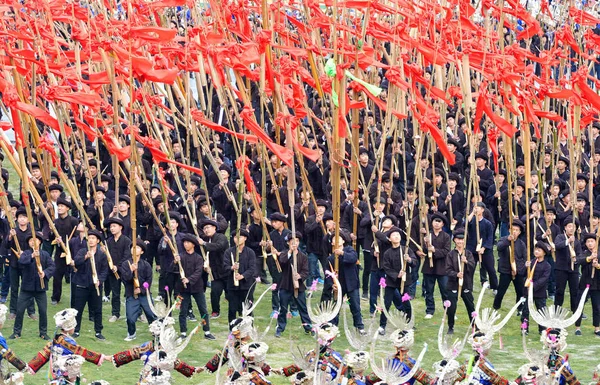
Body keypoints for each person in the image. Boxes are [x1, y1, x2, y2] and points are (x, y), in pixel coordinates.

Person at [27, 309, 108, 382]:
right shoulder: (67, 342)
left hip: (54, 373)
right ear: (69, 328)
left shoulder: (56, 338)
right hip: (65, 373)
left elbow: (44, 353)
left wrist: (31, 366)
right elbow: (81, 351)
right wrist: (100, 357)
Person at [10, 232, 55, 340]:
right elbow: (21, 261)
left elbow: (52, 266)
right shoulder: (25, 253)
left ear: (39, 242)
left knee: (43, 311)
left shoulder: (45, 254)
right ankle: (16, 332)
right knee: (20, 310)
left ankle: (43, 333)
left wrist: (45, 273)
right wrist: (32, 256)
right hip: (26, 288)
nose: (32, 242)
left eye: (35, 240)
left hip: (40, 288)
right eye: (30, 241)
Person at [323, 233, 365, 333]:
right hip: (339, 286)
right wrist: (331, 285)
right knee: (336, 307)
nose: (337, 241)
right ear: (332, 243)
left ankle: (359, 326)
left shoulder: (350, 250)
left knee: (355, 306)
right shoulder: (330, 258)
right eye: (334, 239)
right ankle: (333, 326)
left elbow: (353, 258)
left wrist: (342, 253)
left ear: (343, 241)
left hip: (351, 284)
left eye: (339, 239)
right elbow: (328, 274)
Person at [71, 229, 108, 340]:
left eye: (93, 238)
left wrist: (100, 280)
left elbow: (104, 271)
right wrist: (86, 257)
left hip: (95, 286)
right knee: (78, 309)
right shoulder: (82, 251)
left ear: (97, 241)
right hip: (81, 284)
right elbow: (76, 263)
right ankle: (76, 330)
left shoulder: (102, 255)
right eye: (89, 238)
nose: (91, 240)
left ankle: (98, 331)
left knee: (97, 309)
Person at [177, 233, 215, 340]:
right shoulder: (180, 257)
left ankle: (207, 331)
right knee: (183, 311)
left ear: (193, 245)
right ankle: (183, 332)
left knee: (203, 310)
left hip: (197, 288)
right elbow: (175, 270)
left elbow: (198, 272)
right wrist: (175, 262)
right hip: (184, 289)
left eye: (188, 242)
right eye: (184, 242)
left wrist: (189, 279)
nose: (186, 244)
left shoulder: (198, 258)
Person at [380, 227, 416, 335]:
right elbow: (386, 267)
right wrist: (396, 275)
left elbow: (414, 262)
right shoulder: (387, 253)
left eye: (398, 235)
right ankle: (382, 325)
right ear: (390, 239)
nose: (396, 236)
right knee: (386, 303)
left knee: (406, 303)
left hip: (404, 281)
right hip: (391, 281)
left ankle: (408, 323)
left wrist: (409, 260)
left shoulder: (406, 250)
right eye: (393, 235)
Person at [275, 232, 312, 337]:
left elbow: (306, 271)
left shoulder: (303, 257)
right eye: (292, 242)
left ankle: (308, 328)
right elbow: (282, 262)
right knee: (283, 309)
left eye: (296, 241)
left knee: (303, 308)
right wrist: (290, 252)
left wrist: (300, 276)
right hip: (285, 286)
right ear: (288, 243)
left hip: (298, 287)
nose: (294, 244)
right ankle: (280, 329)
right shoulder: (284, 254)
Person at [119, 239, 157, 341]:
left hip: (144, 295)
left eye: (138, 248)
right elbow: (125, 279)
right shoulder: (125, 264)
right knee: (130, 317)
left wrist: (141, 290)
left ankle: (156, 333)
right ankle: (131, 333)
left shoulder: (146, 265)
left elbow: (149, 281)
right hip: (131, 294)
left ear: (142, 251)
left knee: (152, 315)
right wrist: (131, 270)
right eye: (133, 248)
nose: (134, 250)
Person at [445, 228, 476, 334]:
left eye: (462, 239)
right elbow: (447, 270)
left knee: (470, 306)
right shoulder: (450, 254)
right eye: (458, 239)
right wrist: (456, 274)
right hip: (453, 284)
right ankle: (451, 326)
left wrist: (466, 262)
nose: (460, 241)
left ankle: (474, 326)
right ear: (454, 240)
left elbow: (472, 267)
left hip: (466, 283)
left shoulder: (468, 253)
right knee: (451, 307)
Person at [223, 229, 256, 325]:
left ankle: (248, 329)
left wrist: (243, 276)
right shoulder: (228, 252)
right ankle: (233, 330)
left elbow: (252, 268)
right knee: (232, 309)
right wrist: (231, 268)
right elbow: (225, 267)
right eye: (235, 237)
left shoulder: (250, 252)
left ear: (245, 238)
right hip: (232, 286)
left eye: (240, 237)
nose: (237, 239)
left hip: (246, 286)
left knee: (247, 309)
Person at [421, 212, 450, 319]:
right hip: (429, 267)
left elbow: (447, 251)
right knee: (429, 290)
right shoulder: (428, 235)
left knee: (445, 290)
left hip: (442, 267)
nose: (437, 224)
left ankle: (448, 310)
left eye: (439, 222)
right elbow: (423, 251)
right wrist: (425, 244)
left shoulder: (446, 236)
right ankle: (429, 310)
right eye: (435, 221)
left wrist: (434, 250)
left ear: (442, 224)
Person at [198, 219, 229, 319]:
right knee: (215, 292)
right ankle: (215, 311)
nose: (206, 230)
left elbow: (218, 247)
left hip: (226, 271)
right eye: (204, 228)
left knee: (231, 293)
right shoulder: (206, 239)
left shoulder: (221, 237)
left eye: (208, 227)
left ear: (214, 228)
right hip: (215, 273)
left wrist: (204, 244)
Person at [494, 219, 527, 311]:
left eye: (517, 230)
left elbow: (524, 259)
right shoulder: (503, 239)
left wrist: (517, 269)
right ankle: (496, 307)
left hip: (518, 272)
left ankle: (519, 309)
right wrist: (507, 241)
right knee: (501, 291)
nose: (515, 232)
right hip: (505, 270)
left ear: (520, 232)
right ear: (509, 230)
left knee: (520, 292)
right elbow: (499, 248)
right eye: (513, 229)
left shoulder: (521, 244)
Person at [103, 217, 131, 323]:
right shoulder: (108, 241)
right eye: (111, 227)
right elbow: (107, 257)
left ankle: (138, 313)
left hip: (125, 271)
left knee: (130, 292)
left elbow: (127, 256)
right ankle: (115, 313)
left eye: (114, 226)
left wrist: (118, 267)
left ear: (120, 227)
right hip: (112, 271)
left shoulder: (126, 240)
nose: (112, 228)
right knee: (115, 293)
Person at [51, 197, 78, 305]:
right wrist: (56, 239)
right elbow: (50, 236)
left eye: (62, 206)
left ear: (67, 208)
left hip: (71, 252)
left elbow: (76, 236)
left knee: (74, 274)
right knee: (57, 275)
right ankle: (55, 297)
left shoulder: (73, 220)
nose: (59, 208)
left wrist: (69, 244)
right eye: (59, 206)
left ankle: (76, 297)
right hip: (59, 252)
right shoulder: (55, 222)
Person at [521, 242, 551, 335]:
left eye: (539, 250)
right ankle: (524, 328)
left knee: (541, 311)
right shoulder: (531, 262)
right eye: (536, 250)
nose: (536, 252)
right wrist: (525, 267)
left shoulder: (547, 266)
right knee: (525, 310)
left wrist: (534, 286)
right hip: (527, 291)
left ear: (544, 253)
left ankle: (542, 329)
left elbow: (544, 279)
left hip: (539, 292)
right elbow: (522, 274)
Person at [467, 202, 497, 289]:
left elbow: (490, 237)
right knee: (470, 269)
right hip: (472, 248)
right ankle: (468, 287)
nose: (476, 209)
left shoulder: (487, 223)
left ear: (483, 210)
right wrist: (472, 213)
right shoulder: (471, 221)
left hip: (485, 250)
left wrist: (484, 248)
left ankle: (494, 287)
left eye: (478, 208)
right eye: (474, 207)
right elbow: (465, 224)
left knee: (491, 269)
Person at [574, 233, 600, 336]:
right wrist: (589, 258)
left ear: (595, 242)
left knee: (597, 306)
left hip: (597, 284)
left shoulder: (599, 253)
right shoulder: (584, 253)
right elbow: (579, 261)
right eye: (588, 242)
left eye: (592, 241)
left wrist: (597, 265)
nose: (590, 243)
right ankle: (577, 327)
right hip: (584, 283)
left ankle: (597, 328)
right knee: (579, 305)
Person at [554, 217, 581, 313]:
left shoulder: (577, 241)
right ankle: (557, 310)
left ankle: (575, 310)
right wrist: (568, 241)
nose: (571, 229)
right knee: (560, 291)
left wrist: (576, 260)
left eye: (573, 227)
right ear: (565, 227)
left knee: (575, 291)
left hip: (573, 270)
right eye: (569, 226)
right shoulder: (560, 237)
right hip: (561, 268)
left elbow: (579, 255)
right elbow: (557, 246)